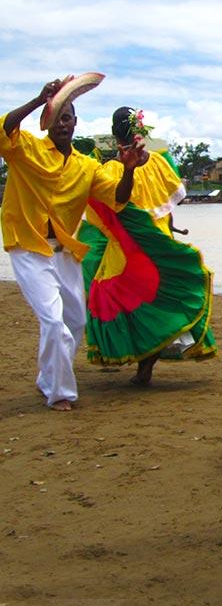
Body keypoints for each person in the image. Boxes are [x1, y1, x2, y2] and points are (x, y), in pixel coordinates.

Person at [0, 80, 146, 411]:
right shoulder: (26, 148)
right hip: (27, 247)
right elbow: (4, 130)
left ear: (76, 122)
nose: (61, 124)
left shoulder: (87, 166)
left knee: (76, 321)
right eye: (55, 118)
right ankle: (60, 393)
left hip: (65, 250)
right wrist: (38, 99)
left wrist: (129, 170)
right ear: (46, 122)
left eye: (66, 117)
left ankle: (48, 378)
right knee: (53, 321)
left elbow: (118, 198)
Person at [79, 107, 217, 386]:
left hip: (129, 251)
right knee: (158, 300)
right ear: (140, 130)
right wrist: (170, 228)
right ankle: (145, 368)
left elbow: (107, 214)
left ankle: (141, 366)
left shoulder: (111, 170)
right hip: (159, 246)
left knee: (130, 303)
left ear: (115, 135)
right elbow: (167, 206)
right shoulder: (158, 164)